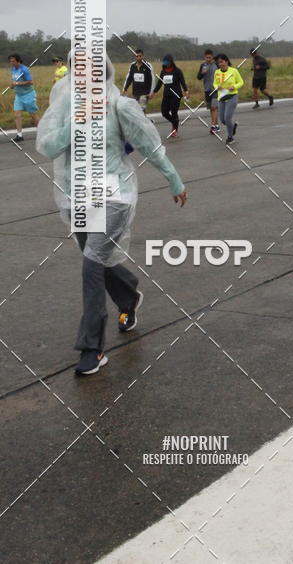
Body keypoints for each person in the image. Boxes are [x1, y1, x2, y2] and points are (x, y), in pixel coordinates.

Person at [36, 54, 186, 375]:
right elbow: (47, 146)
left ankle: (92, 348)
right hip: (77, 196)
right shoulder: (64, 107)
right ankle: (129, 294)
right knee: (98, 263)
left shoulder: (120, 106)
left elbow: (148, 144)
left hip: (116, 195)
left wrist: (173, 178)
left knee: (91, 264)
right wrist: (75, 123)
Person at [150, 54, 188, 139]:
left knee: (174, 113)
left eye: (167, 61)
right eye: (164, 61)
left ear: (171, 62)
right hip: (166, 95)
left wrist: (186, 91)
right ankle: (175, 122)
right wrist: (154, 92)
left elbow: (182, 82)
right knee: (164, 112)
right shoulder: (163, 71)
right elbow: (160, 83)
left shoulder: (177, 71)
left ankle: (174, 130)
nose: (165, 63)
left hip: (176, 95)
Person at [8, 53, 40, 142]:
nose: (11, 63)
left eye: (13, 61)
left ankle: (42, 132)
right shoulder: (13, 69)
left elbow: (30, 82)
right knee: (17, 114)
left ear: (18, 61)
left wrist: (17, 83)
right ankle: (19, 135)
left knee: (33, 115)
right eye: (10, 61)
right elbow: (15, 80)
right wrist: (13, 85)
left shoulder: (24, 70)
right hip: (19, 96)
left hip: (28, 95)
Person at [214, 54, 244, 144]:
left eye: (222, 61)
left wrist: (234, 87)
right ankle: (233, 126)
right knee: (222, 120)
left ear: (226, 61)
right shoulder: (217, 72)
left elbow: (241, 82)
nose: (220, 64)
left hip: (232, 96)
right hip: (221, 97)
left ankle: (230, 137)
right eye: (219, 62)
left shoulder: (233, 71)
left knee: (227, 118)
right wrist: (217, 87)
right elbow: (214, 83)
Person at [122, 49, 154, 113]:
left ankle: (143, 122)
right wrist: (125, 89)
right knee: (136, 110)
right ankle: (142, 121)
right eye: (137, 56)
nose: (138, 58)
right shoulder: (132, 66)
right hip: (135, 92)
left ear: (143, 56)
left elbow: (152, 79)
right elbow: (129, 78)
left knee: (142, 110)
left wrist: (151, 92)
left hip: (145, 93)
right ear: (135, 56)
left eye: (140, 56)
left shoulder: (148, 65)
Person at [197, 48, 219, 133]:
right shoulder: (203, 65)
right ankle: (216, 125)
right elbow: (198, 77)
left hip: (216, 89)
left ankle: (213, 126)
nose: (208, 59)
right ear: (204, 57)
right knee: (211, 108)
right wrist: (202, 73)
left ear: (212, 57)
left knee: (214, 107)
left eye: (210, 57)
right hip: (207, 89)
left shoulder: (217, 64)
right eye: (207, 57)